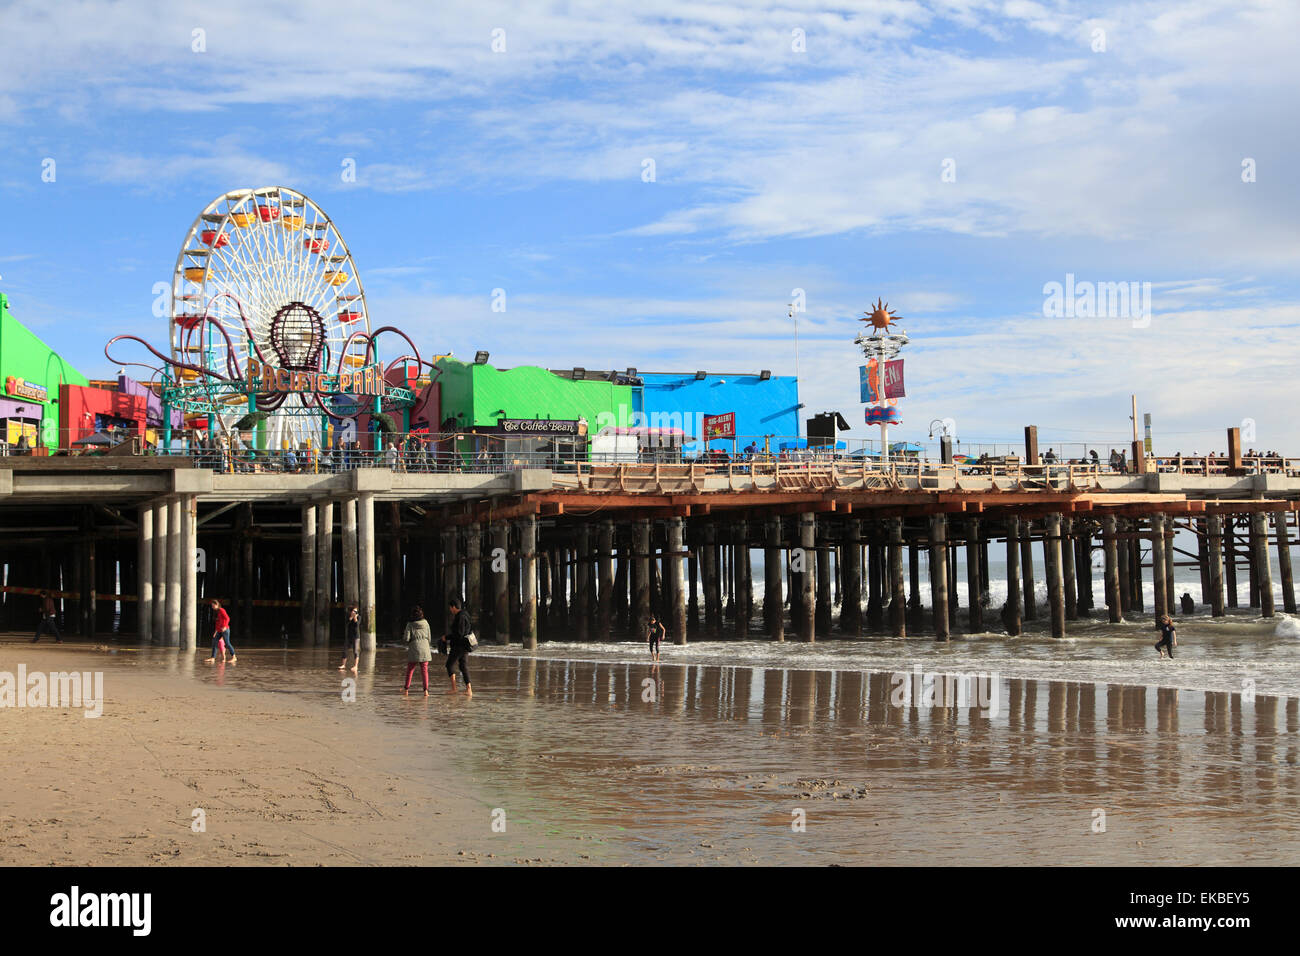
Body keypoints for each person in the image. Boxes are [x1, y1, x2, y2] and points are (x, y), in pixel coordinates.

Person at [444, 596, 473, 697]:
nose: (450, 610)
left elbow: (459, 633)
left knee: (449, 665)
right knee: (463, 666)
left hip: (459, 646)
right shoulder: (466, 614)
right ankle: (469, 689)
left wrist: (447, 637)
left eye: (450, 608)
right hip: (465, 645)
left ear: (453, 607)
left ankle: (454, 688)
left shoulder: (460, 616)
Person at [402, 605, 432, 696]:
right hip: (425, 649)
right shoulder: (426, 623)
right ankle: (426, 691)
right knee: (424, 670)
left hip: (414, 649)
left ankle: (406, 690)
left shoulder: (410, 624)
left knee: (410, 669)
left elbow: (406, 638)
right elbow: (429, 637)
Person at [204, 598, 236, 664]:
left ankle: (234, 657)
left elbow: (227, 618)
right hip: (219, 630)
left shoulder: (221, 610)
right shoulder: (216, 612)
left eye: (213, 606)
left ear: (217, 605)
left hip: (225, 629)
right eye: (212, 606)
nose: (212, 607)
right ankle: (213, 657)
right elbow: (217, 623)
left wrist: (224, 626)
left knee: (227, 643)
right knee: (214, 642)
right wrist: (215, 632)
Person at [338, 603, 361, 671]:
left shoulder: (359, 617)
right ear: (350, 611)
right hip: (349, 636)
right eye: (354, 611)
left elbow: (357, 625)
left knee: (356, 651)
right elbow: (346, 624)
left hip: (356, 636)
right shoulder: (348, 616)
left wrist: (355, 618)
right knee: (345, 650)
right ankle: (343, 665)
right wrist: (351, 617)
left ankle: (356, 666)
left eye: (356, 611)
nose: (355, 612)